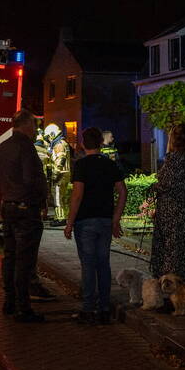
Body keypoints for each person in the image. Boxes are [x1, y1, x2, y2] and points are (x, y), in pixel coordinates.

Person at [0, 109, 50, 322]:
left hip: (8, 207)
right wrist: (41, 199)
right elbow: (32, 179)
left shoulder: (3, 147)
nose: (35, 131)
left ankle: (9, 301)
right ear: (26, 125)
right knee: (25, 259)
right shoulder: (26, 148)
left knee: (10, 255)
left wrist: (5, 193)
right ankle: (23, 307)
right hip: (26, 210)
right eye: (34, 126)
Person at [64, 127, 127, 325]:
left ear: (83, 144)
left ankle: (88, 309)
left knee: (88, 265)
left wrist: (70, 222)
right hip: (105, 221)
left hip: (86, 221)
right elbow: (123, 191)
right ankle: (105, 308)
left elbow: (77, 195)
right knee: (103, 263)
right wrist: (116, 218)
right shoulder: (110, 164)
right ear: (100, 143)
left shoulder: (81, 165)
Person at [149, 123, 185, 283]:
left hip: (172, 210)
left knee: (172, 249)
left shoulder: (171, 160)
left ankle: (171, 289)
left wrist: (154, 187)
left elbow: (165, 184)